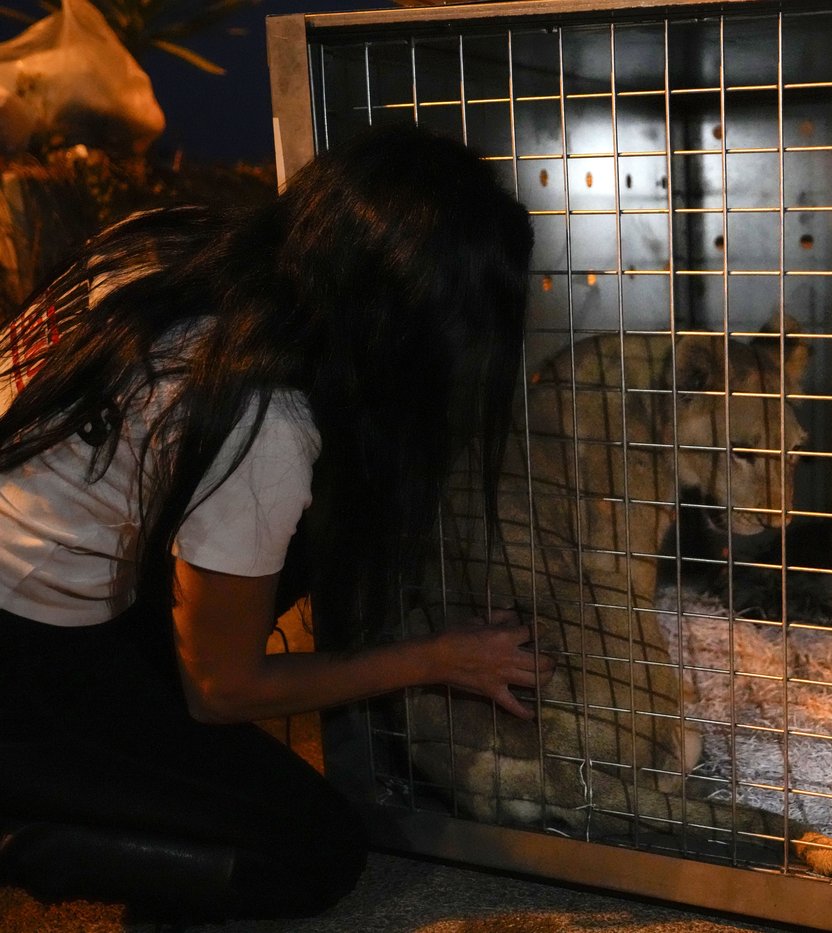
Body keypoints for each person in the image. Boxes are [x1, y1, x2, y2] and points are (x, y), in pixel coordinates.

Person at [0, 123, 551, 922]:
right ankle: (30, 827)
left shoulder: (173, 239)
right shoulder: (264, 420)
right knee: (311, 846)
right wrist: (441, 658)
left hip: (36, 568)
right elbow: (221, 690)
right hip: (22, 651)